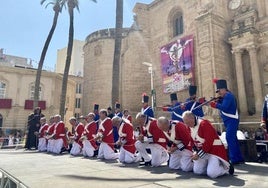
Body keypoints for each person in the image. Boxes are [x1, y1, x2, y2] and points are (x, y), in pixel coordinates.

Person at [182, 111, 233, 178]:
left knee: (212, 174)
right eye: (185, 123)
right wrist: (194, 152)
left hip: (214, 151)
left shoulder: (204, 124)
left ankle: (226, 168)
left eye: (188, 122)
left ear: (192, 118)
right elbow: (192, 142)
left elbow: (209, 142)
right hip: (202, 151)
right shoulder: (189, 126)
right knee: (198, 171)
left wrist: (198, 154)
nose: (187, 125)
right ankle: (211, 167)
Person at [210, 79, 244, 164]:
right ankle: (239, 158)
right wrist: (217, 101)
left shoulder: (228, 96)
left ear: (224, 89)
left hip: (232, 120)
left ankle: (234, 159)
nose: (219, 93)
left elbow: (225, 107)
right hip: (228, 121)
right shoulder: (225, 97)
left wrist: (215, 105)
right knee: (233, 139)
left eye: (220, 90)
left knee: (229, 138)